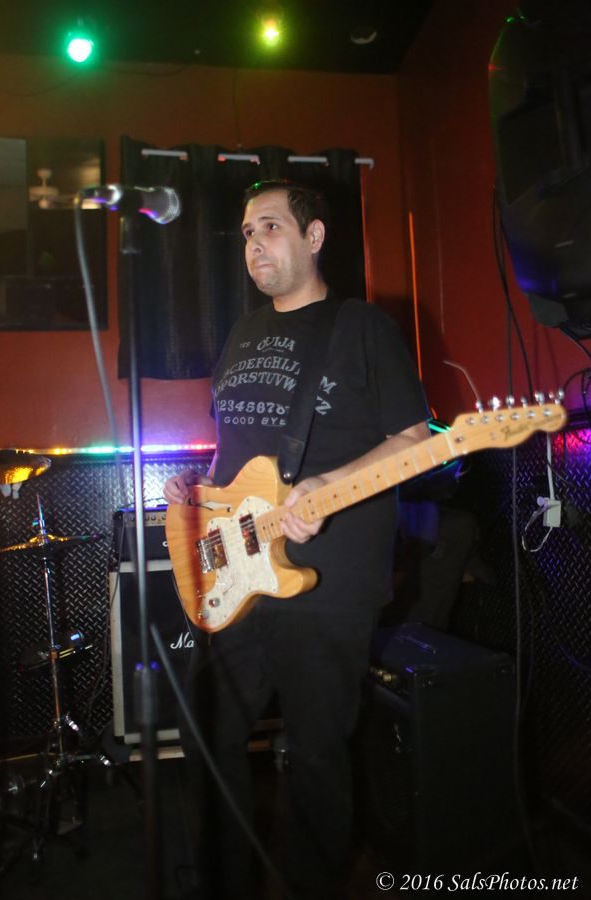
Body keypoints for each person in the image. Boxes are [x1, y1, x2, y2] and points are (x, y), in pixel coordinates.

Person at [163, 180, 430, 900]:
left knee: (315, 756)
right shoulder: (241, 334)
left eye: (272, 227)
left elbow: (415, 440)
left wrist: (328, 483)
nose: (254, 244)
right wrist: (200, 495)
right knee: (204, 727)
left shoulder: (362, 327)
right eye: (248, 233)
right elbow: (237, 456)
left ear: (314, 238)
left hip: (327, 583)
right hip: (237, 575)